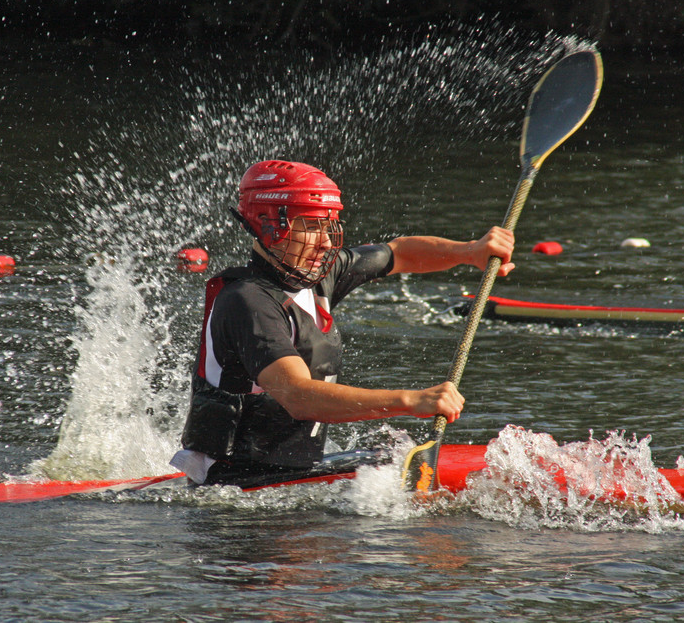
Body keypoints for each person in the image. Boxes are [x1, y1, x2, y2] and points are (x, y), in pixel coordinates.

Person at [170, 160, 515, 486]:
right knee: (384, 465)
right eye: (312, 227)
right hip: (230, 487)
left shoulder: (317, 273)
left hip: (287, 478)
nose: (326, 242)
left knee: (384, 460)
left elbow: (400, 253)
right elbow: (299, 396)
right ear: (270, 224)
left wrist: (470, 252)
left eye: (329, 226)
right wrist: (411, 401)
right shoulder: (248, 301)